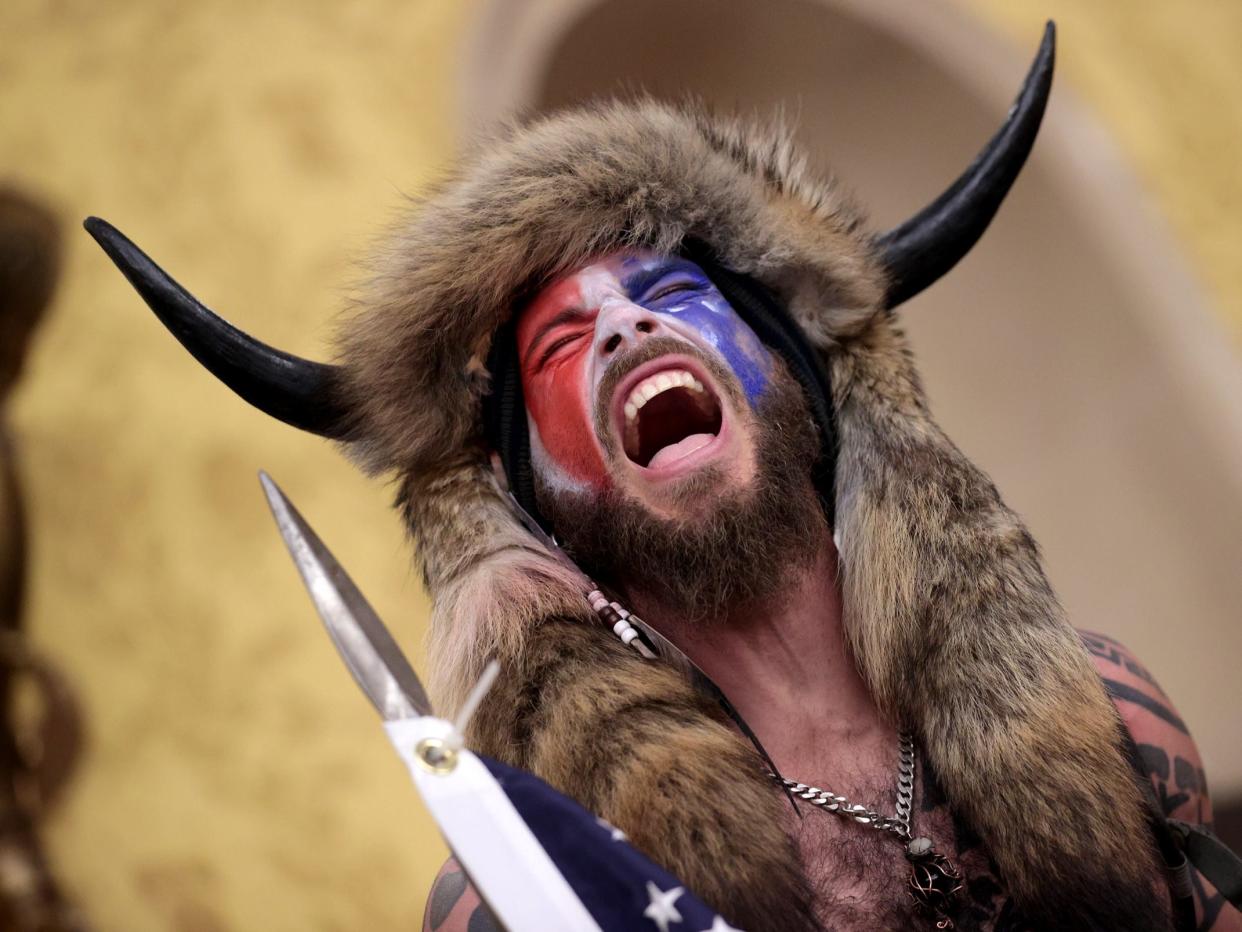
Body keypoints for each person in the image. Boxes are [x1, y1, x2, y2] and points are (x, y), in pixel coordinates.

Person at [87, 25, 1240, 932]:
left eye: (673, 296)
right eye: (558, 345)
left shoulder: (1113, 712)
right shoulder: (524, 890)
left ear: (800, 380)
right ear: (534, 494)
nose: (627, 325)